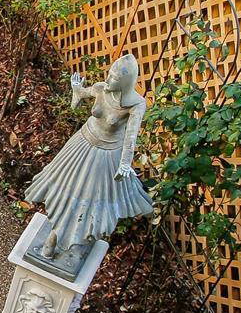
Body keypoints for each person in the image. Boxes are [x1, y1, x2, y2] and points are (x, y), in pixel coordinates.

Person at [24, 51, 154, 273]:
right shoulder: (102, 88)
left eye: (115, 78)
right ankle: (55, 234)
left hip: (105, 157)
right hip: (81, 144)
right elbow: (79, 97)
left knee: (87, 198)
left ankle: (70, 239)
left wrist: (125, 164)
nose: (110, 79)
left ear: (125, 83)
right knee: (64, 189)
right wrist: (76, 91)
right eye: (110, 74)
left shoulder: (135, 104)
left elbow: (130, 138)